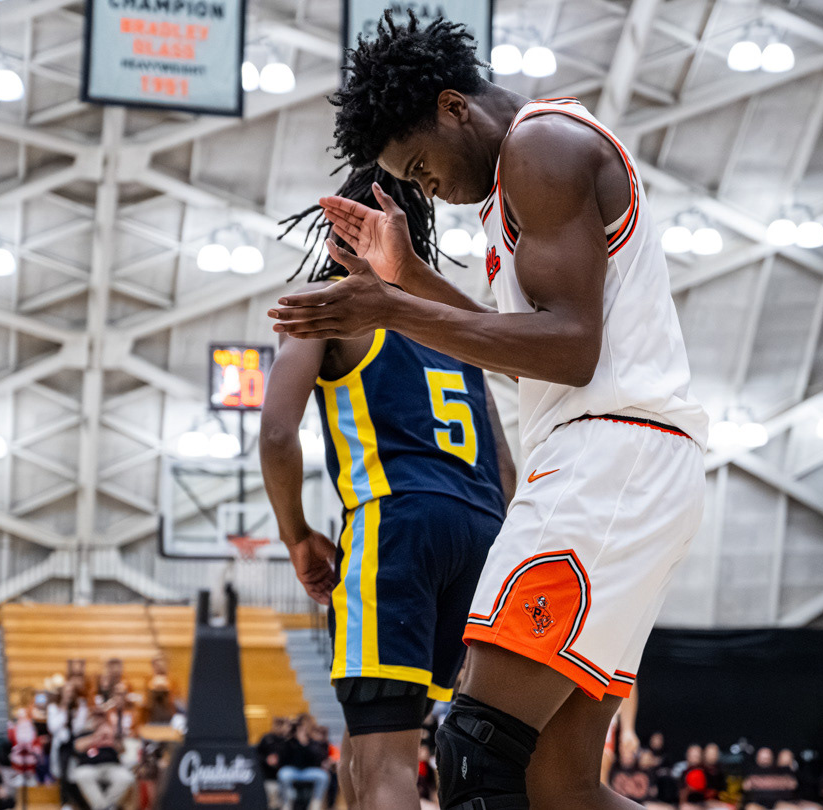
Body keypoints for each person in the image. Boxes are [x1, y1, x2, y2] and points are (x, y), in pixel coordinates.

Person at [269, 11, 708, 810]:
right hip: (631, 467)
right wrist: (407, 279)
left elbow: (569, 349)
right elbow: (526, 351)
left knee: (474, 751)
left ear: (454, 108)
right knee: (556, 785)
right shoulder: (528, 169)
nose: (426, 188)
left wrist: (393, 308)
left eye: (420, 166)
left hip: (608, 461)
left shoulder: (541, 147)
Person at [261, 163, 513, 810]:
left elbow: (278, 434)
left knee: (385, 767)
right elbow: (505, 469)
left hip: (398, 523)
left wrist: (296, 535)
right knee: (373, 738)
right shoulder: (453, 322)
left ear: (334, 227)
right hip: (482, 534)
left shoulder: (330, 304)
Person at [70, 714, 135, 810]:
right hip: (89, 766)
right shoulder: (84, 733)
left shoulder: (111, 733)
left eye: (101, 717)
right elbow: (77, 747)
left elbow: (122, 749)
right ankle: (105, 807)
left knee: (127, 777)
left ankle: (103, 807)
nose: (99, 720)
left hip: (112, 766)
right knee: (81, 774)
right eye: (96, 717)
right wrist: (96, 736)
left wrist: (113, 737)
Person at [277, 716, 332, 810]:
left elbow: (317, 759)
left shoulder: (312, 742)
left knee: (323, 776)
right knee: (283, 774)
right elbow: (283, 759)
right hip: (293, 770)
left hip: (308, 770)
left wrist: (304, 743)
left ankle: (315, 803)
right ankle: (286, 803)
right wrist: (289, 736)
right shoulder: (289, 742)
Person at [258, 716, 291, 808]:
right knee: (271, 793)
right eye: (286, 726)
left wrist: (280, 760)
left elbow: (291, 759)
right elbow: (257, 755)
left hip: (285, 777)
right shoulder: (267, 738)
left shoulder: (288, 741)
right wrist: (267, 760)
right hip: (269, 777)